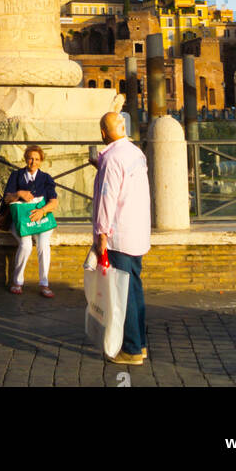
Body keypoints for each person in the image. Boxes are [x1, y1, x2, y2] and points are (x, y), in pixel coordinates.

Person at [92, 111, 151, 365]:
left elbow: (108, 198)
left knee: (122, 293)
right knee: (135, 289)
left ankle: (131, 349)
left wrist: (101, 233)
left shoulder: (112, 158)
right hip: (137, 231)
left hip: (119, 232)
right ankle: (141, 342)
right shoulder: (136, 153)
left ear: (103, 133)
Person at [2, 144, 58, 298]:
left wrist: (42, 211)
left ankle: (44, 283)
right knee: (26, 245)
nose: (33, 162)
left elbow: (54, 202)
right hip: (20, 220)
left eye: (37, 159)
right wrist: (19, 193)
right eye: (30, 158)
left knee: (43, 244)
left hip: (41, 219)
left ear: (41, 161)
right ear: (26, 159)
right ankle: (17, 281)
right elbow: (7, 199)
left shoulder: (46, 178)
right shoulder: (16, 175)